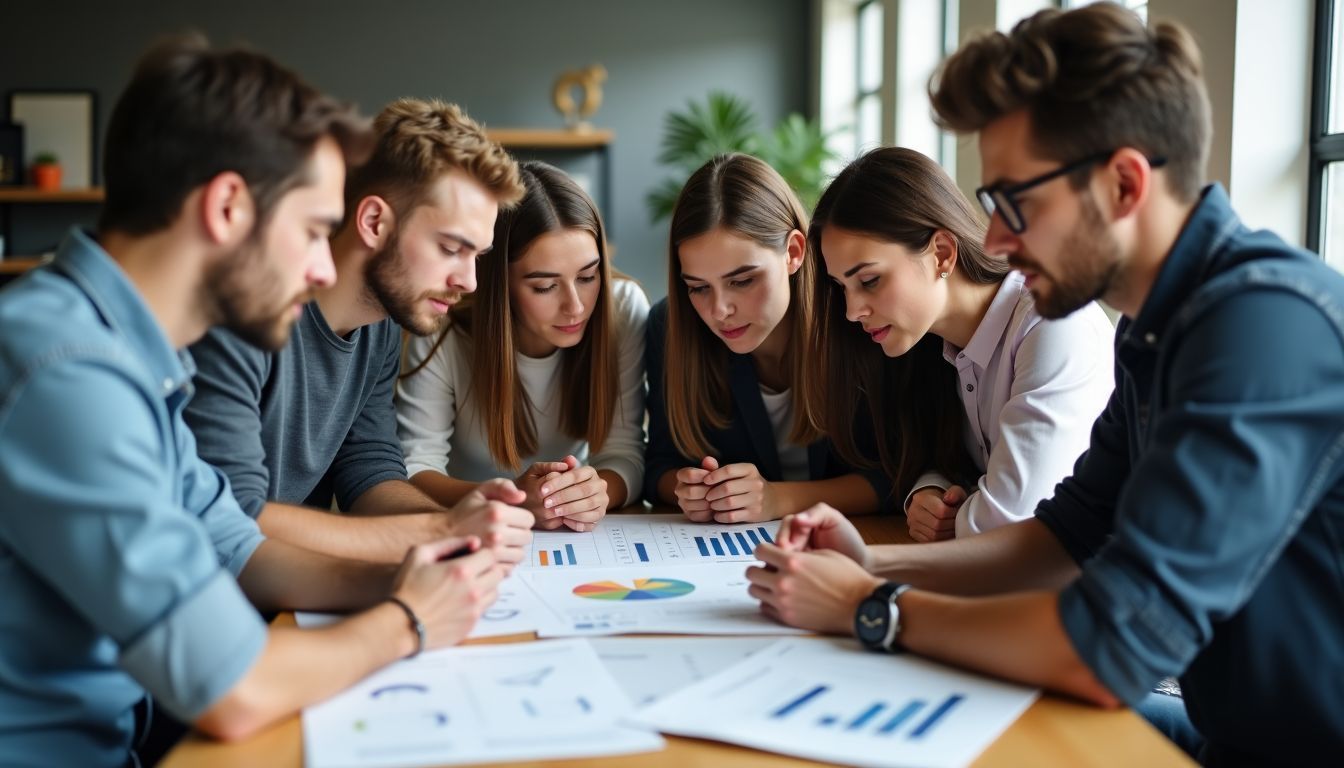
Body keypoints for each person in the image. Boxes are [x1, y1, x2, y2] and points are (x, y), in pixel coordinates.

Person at [747, 4, 1344, 764]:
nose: (991, 240)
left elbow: (1112, 643)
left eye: (1014, 204)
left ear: (1124, 184)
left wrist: (872, 608)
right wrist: (874, 561)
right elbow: (1065, 536)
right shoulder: (1154, 324)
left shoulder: (1261, 327)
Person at [0, 38, 503, 766]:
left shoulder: (138, 355)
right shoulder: (69, 369)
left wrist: (412, 574)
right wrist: (410, 619)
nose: (325, 264)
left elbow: (236, 547)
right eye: (309, 230)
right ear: (229, 206)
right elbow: (231, 687)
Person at [183, 98, 535, 565]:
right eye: (452, 248)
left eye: (478, 256)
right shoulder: (245, 315)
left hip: (290, 587)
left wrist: (461, 534)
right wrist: (438, 528)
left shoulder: (381, 325)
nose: (469, 281)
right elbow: (230, 514)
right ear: (373, 222)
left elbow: (368, 470)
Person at [804, 146, 1112, 542]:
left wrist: (962, 515)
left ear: (942, 254)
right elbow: (951, 462)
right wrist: (929, 491)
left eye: (869, 281)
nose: (851, 311)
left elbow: (1010, 520)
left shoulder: (1052, 322)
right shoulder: (929, 342)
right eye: (841, 287)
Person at [398, 161, 648, 531]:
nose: (575, 306)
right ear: (500, 284)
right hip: (473, 524)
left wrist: (596, 492)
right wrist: (508, 496)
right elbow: (414, 466)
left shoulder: (622, 308)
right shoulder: (442, 327)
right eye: (545, 286)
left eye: (588, 276)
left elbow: (625, 451)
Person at [645, 153, 890, 522]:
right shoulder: (672, 325)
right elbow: (660, 466)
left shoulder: (859, 318)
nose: (719, 310)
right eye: (698, 288)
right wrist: (690, 490)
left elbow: (903, 474)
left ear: (793, 252)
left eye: (741, 281)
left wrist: (782, 499)